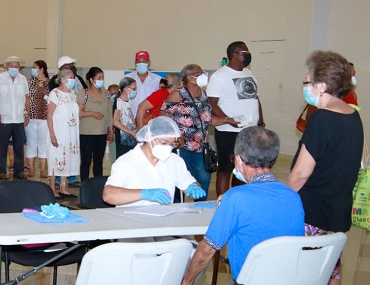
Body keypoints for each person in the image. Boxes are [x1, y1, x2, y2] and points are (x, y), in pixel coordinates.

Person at [159, 126, 307, 285]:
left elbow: (206, 250)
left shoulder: (236, 198)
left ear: (238, 159)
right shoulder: (292, 197)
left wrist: (186, 281)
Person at [281, 51, 363, 285]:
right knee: (332, 282)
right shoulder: (352, 116)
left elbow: (300, 174)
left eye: (306, 81)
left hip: (312, 215)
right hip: (337, 214)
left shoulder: (322, 119)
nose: (305, 86)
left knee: (310, 283)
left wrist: (277, 199)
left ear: (320, 85)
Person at [103, 116, 206, 207]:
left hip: (164, 219)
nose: (168, 147)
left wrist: (194, 188)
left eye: (172, 144)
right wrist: (144, 194)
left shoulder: (174, 161)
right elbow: (108, 195)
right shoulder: (126, 162)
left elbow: (188, 184)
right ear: (149, 137)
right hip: (132, 221)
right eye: (164, 142)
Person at [207, 41, 265, 197]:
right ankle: (223, 202)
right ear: (235, 54)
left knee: (245, 168)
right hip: (229, 130)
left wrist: (260, 120)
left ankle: (238, 199)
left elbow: (255, 98)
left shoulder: (249, 73)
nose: (248, 55)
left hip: (249, 130)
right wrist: (228, 119)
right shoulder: (220, 76)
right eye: (245, 52)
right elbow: (211, 104)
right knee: (226, 169)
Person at [162, 64, 227, 201]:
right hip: (182, 146)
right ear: (190, 77)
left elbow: (207, 119)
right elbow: (164, 116)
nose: (203, 75)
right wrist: (175, 135)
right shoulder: (178, 94)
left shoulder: (203, 95)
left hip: (200, 147)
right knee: (179, 179)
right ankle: (176, 206)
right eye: (199, 73)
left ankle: (200, 206)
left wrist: (227, 120)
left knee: (204, 178)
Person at [0, 56, 30, 180]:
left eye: (17, 66)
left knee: (19, 146)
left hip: (19, 118)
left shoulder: (23, 80)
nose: (14, 69)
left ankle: (19, 170)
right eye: (12, 66)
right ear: (6, 67)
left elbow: (26, 97)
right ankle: (1, 170)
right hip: (4, 118)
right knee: (2, 146)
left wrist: (27, 113)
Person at [47, 68, 80, 199]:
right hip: (58, 131)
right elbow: (49, 115)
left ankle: (63, 187)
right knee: (56, 157)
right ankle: (51, 187)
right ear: (62, 79)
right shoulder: (55, 93)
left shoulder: (72, 93)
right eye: (70, 77)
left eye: (73, 77)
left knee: (68, 157)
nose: (72, 80)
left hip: (71, 132)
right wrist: (52, 135)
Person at [77, 67, 113, 181]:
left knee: (99, 161)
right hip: (86, 132)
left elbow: (109, 113)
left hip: (101, 132)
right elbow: (77, 112)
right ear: (92, 80)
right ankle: (84, 185)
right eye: (99, 78)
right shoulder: (83, 93)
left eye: (103, 78)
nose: (102, 80)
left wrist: (110, 129)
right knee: (86, 160)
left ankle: (97, 185)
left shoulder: (106, 94)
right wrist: (92, 113)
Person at [25, 60, 50, 178]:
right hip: (31, 118)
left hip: (45, 118)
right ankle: (31, 169)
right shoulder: (29, 82)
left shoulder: (50, 83)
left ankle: (43, 169)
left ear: (42, 69)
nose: (33, 70)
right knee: (31, 143)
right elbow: (26, 99)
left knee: (43, 144)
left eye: (35, 67)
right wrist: (26, 113)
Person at [127, 50, 161, 117]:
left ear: (149, 62)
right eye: (139, 62)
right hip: (130, 118)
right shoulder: (127, 78)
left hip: (150, 118)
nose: (141, 64)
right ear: (135, 62)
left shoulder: (157, 80)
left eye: (144, 62)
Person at [112, 77, 138, 159]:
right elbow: (115, 121)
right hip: (123, 138)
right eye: (133, 89)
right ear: (126, 88)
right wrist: (132, 132)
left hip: (130, 137)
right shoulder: (119, 102)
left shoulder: (128, 101)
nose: (135, 91)